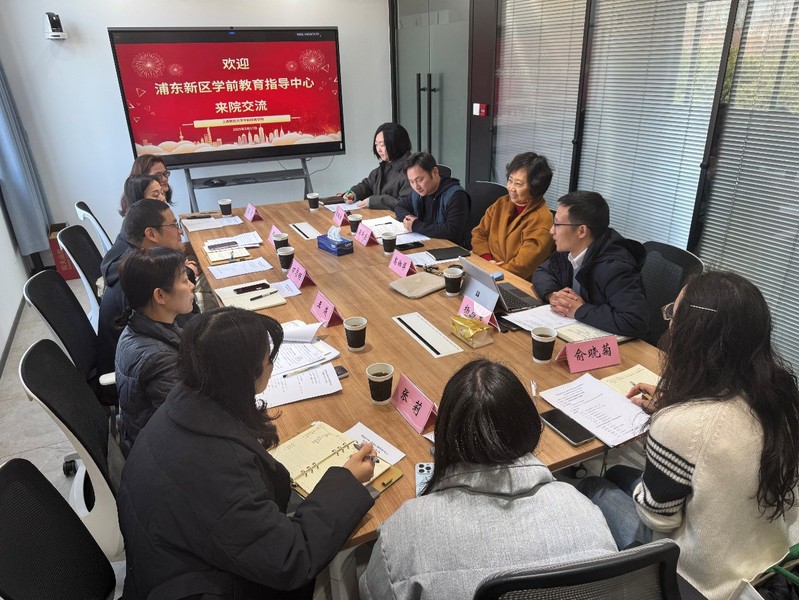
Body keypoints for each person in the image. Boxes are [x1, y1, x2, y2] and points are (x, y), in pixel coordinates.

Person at [118, 307, 377, 600]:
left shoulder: (180, 405)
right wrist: (347, 481)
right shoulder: (219, 470)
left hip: (163, 568)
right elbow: (291, 557)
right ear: (244, 375)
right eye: (268, 359)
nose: (271, 365)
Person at [579, 272, 799, 600]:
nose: (668, 322)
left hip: (700, 583)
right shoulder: (783, 398)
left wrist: (671, 423)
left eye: (673, 314)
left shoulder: (681, 424)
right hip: (767, 559)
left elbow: (658, 519)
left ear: (690, 335)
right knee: (619, 473)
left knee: (593, 486)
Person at [359, 359, 617, 600]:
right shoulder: (583, 509)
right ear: (530, 427)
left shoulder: (405, 529)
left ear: (444, 436)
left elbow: (371, 591)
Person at [97, 199, 198, 376]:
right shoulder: (139, 280)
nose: (180, 231)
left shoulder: (137, 265)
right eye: (174, 225)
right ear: (151, 234)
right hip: (139, 370)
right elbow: (190, 331)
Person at [532, 190, 648, 337]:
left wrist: (580, 310)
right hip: (575, 330)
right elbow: (542, 271)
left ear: (581, 231)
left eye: (557, 224)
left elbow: (635, 321)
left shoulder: (615, 267)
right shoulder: (568, 250)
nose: (551, 231)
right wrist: (553, 295)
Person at [115, 248, 195, 457]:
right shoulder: (160, 360)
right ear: (160, 295)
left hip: (140, 435)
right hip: (162, 455)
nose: (192, 286)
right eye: (185, 280)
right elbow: (188, 426)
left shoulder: (138, 325)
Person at [470, 152, 554, 279]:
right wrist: (487, 261)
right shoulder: (502, 203)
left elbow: (522, 266)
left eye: (518, 184)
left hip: (514, 282)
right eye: (510, 180)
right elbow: (479, 233)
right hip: (486, 269)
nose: (511, 188)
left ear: (535, 188)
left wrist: (493, 269)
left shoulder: (542, 220)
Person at [394, 152, 470, 246]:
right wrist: (409, 220)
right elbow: (399, 206)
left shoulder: (456, 195)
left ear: (435, 172)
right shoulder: (417, 193)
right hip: (427, 243)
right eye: (412, 182)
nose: (416, 186)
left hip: (450, 248)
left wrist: (416, 225)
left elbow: (452, 231)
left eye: (419, 180)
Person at [342, 123, 412, 210]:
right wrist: (353, 193)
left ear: (396, 144)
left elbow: (404, 204)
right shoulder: (386, 165)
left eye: (382, 145)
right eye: (376, 144)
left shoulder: (411, 170)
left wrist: (374, 201)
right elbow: (368, 184)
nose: (378, 149)